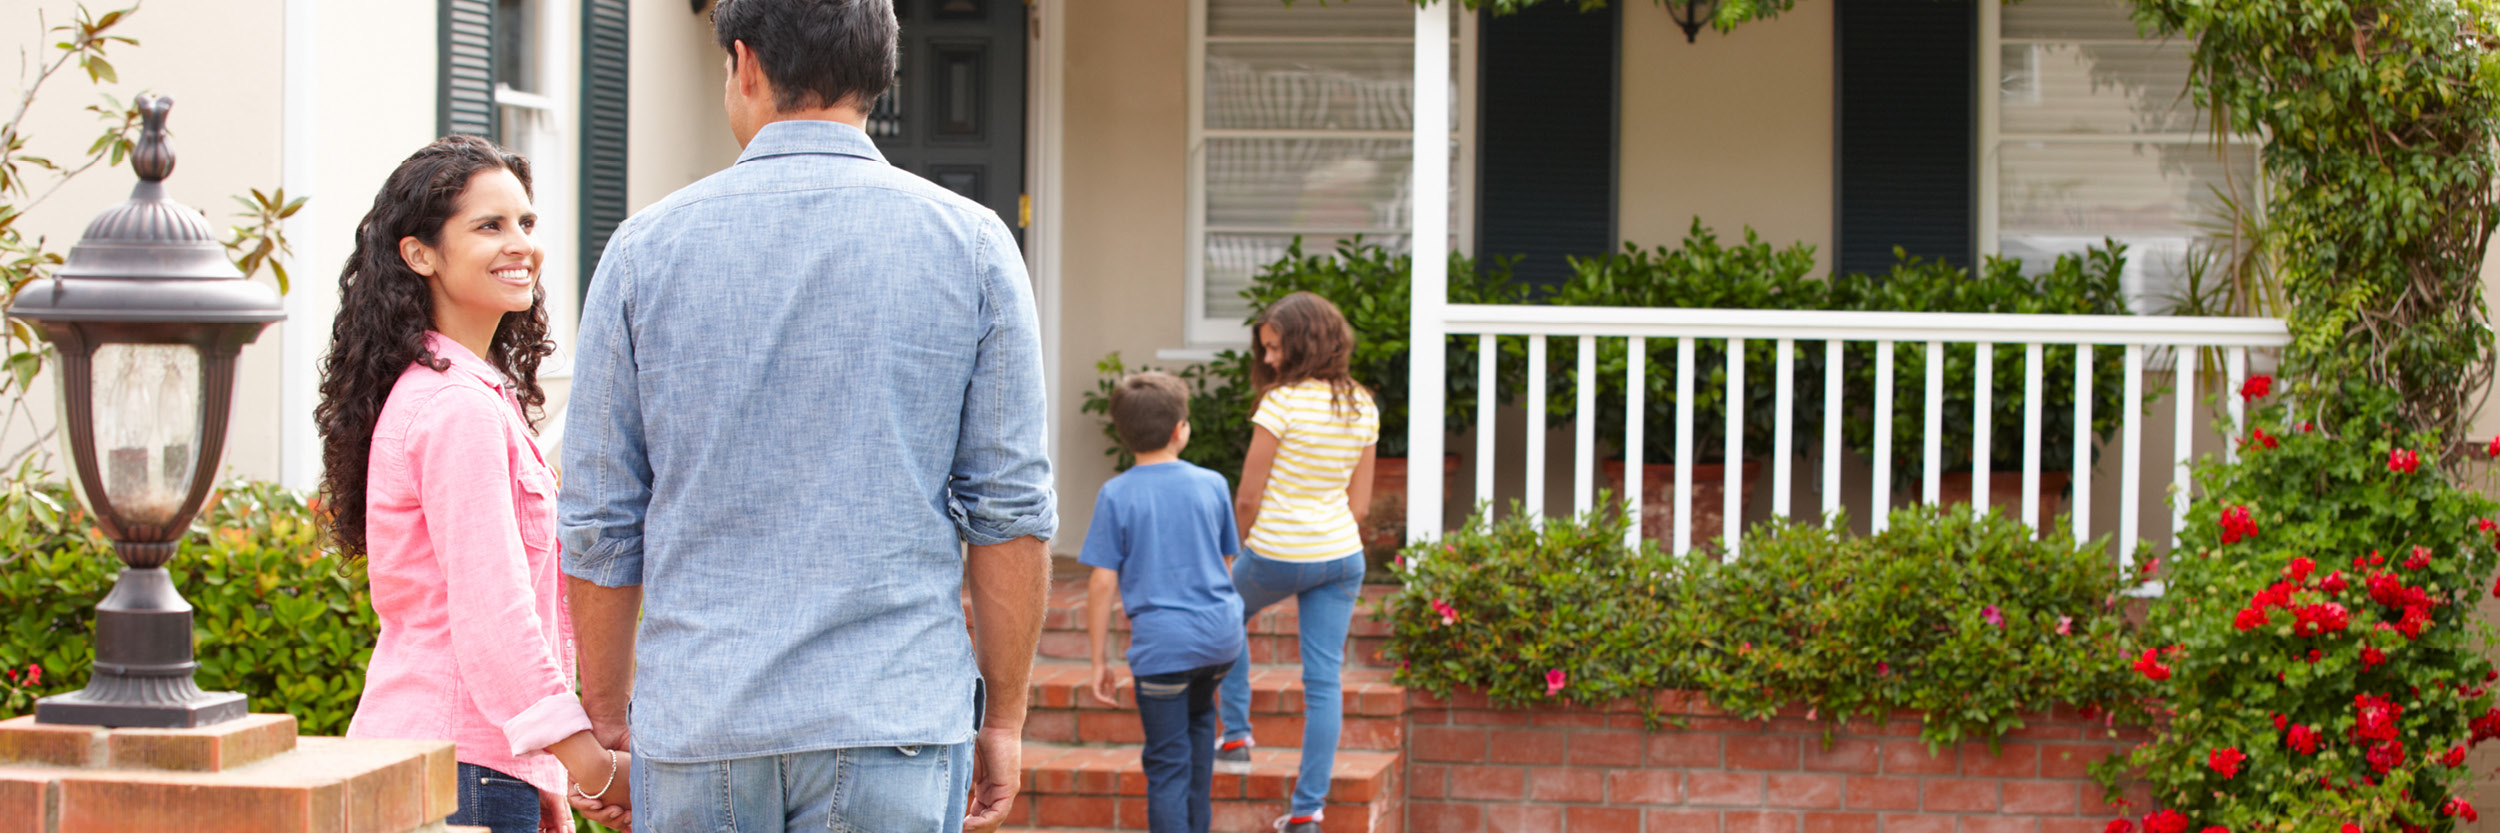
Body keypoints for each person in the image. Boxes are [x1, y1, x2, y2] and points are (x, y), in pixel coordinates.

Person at [556, 0, 1056, 830]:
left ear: (745, 64)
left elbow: (602, 516)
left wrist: (608, 717)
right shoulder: (971, 242)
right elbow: (1009, 512)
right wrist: (1002, 718)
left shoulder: (644, 249)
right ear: (877, 75)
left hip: (701, 720)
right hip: (892, 714)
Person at [315, 135, 633, 833]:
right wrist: (596, 766)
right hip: (462, 768)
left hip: (451, 760)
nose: (521, 244)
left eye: (525, 223)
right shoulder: (456, 407)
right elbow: (495, 620)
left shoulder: (464, 394)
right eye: (489, 225)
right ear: (419, 252)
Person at [1213, 292, 1379, 833]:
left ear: (1305, 342)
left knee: (1224, 615)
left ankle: (1235, 736)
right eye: (1266, 350)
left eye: (1277, 347)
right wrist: (1327, 538)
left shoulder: (1281, 404)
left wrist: (1232, 548)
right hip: (1341, 556)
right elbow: (1360, 506)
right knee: (1324, 682)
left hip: (1277, 551)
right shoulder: (1363, 405)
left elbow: (1248, 497)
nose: (1271, 360)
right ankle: (1308, 813)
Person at [1081, 372, 1245, 833]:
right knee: (1197, 739)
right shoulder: (1211, 484)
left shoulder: (1116, 493)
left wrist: (1099, 660)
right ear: (1181, 429)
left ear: (1122, 433)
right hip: (1220, 642)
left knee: (1167, 764)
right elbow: (1227, 560)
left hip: (1164, 649)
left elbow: (1100, 583)